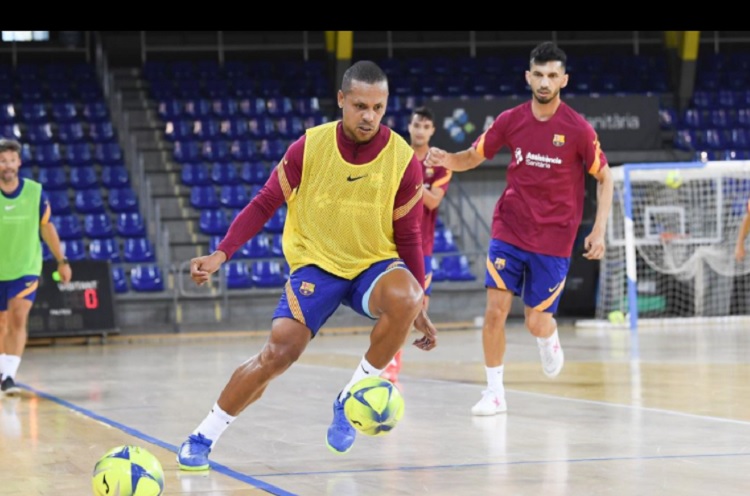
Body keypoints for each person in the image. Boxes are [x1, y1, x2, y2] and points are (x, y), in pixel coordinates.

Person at [176, 60, 438, 470]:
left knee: (408, 295)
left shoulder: (403, 159)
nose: (369, 116)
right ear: (341, 101)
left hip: (374, 264)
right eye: (360, 106)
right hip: (317, 264)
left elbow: (409, 236)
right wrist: (221, 253)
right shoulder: (310, 147)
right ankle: (202, 436)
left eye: (378, 107)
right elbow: (264, 203)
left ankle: (350, 395)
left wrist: (419, 302)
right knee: (279, 353)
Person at [425, 41, 613, 416]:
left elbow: (605, 177)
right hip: (509, 229)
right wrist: (447, 158)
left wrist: (599, 231)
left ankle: (549, 336)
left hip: (554, 238)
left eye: (552, 75)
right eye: (538, 74)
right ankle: (494, 392)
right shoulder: (510, 120)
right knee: (495, 311)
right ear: (528, 77)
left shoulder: (577, 129)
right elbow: (473, 156)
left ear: (563, 79)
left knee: (535, 322)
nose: (545, 81)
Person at [382, 106, 451, 384]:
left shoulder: (441, 164)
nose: (420, 130)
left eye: (426, 126)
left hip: (421, 248)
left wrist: (410, 181)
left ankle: (391, 361)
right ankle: (388, 363)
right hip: (391, 243)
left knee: (415, 308)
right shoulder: (395, 156)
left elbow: (433, 200)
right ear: (409, 127)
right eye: (416, 125)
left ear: (432, 131)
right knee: (390, 307)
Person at [0, 138, 72, 394]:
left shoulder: (34, 192)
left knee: (18, 318)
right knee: (2, 323)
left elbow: (46, 227)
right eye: (2, 160)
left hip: (26, 268)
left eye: (11, 160)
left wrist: (61, 261)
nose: (7, 165)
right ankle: (2, 368)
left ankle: (8, 376)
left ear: (18, 162)